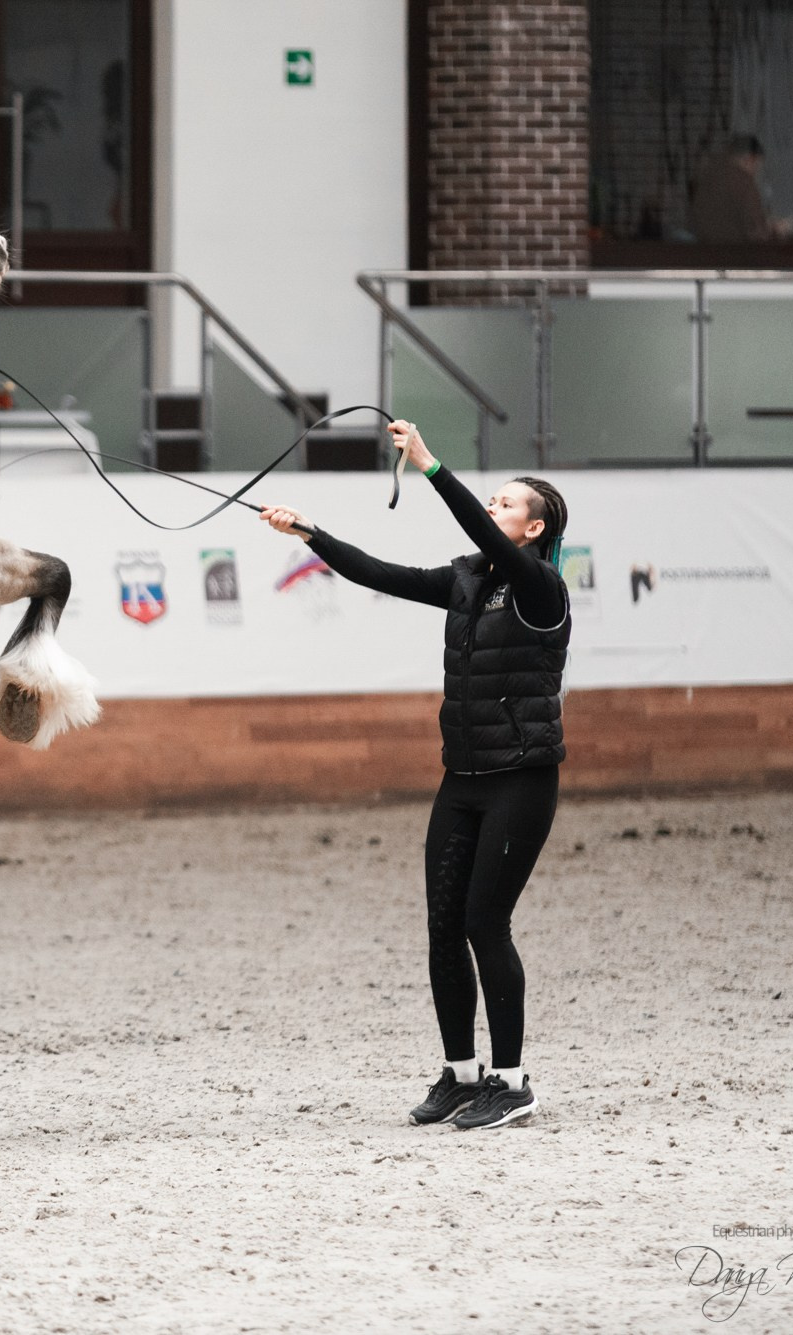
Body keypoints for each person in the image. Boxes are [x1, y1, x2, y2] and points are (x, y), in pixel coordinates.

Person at [260, 421, 570, 1131]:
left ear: (534, 527)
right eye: (490, 500)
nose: (493, 511)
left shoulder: (541, 586)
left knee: (485, 922)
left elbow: (483, 534)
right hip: (461, 779)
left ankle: (512, 1080)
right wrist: (312, 532)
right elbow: (381, 574)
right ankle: (462, 1074)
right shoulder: (466, 581)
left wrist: (431, 466)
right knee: (442, 927)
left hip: (521, 780)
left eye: (504, 504)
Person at [689, 134, 791, 243]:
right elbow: (756, 232)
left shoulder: (708, 176)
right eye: (756, 166)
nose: (756, 172)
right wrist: (775, 230)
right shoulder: (744, 183)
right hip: (735, 254)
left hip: (702, 251)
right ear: (749, 159)